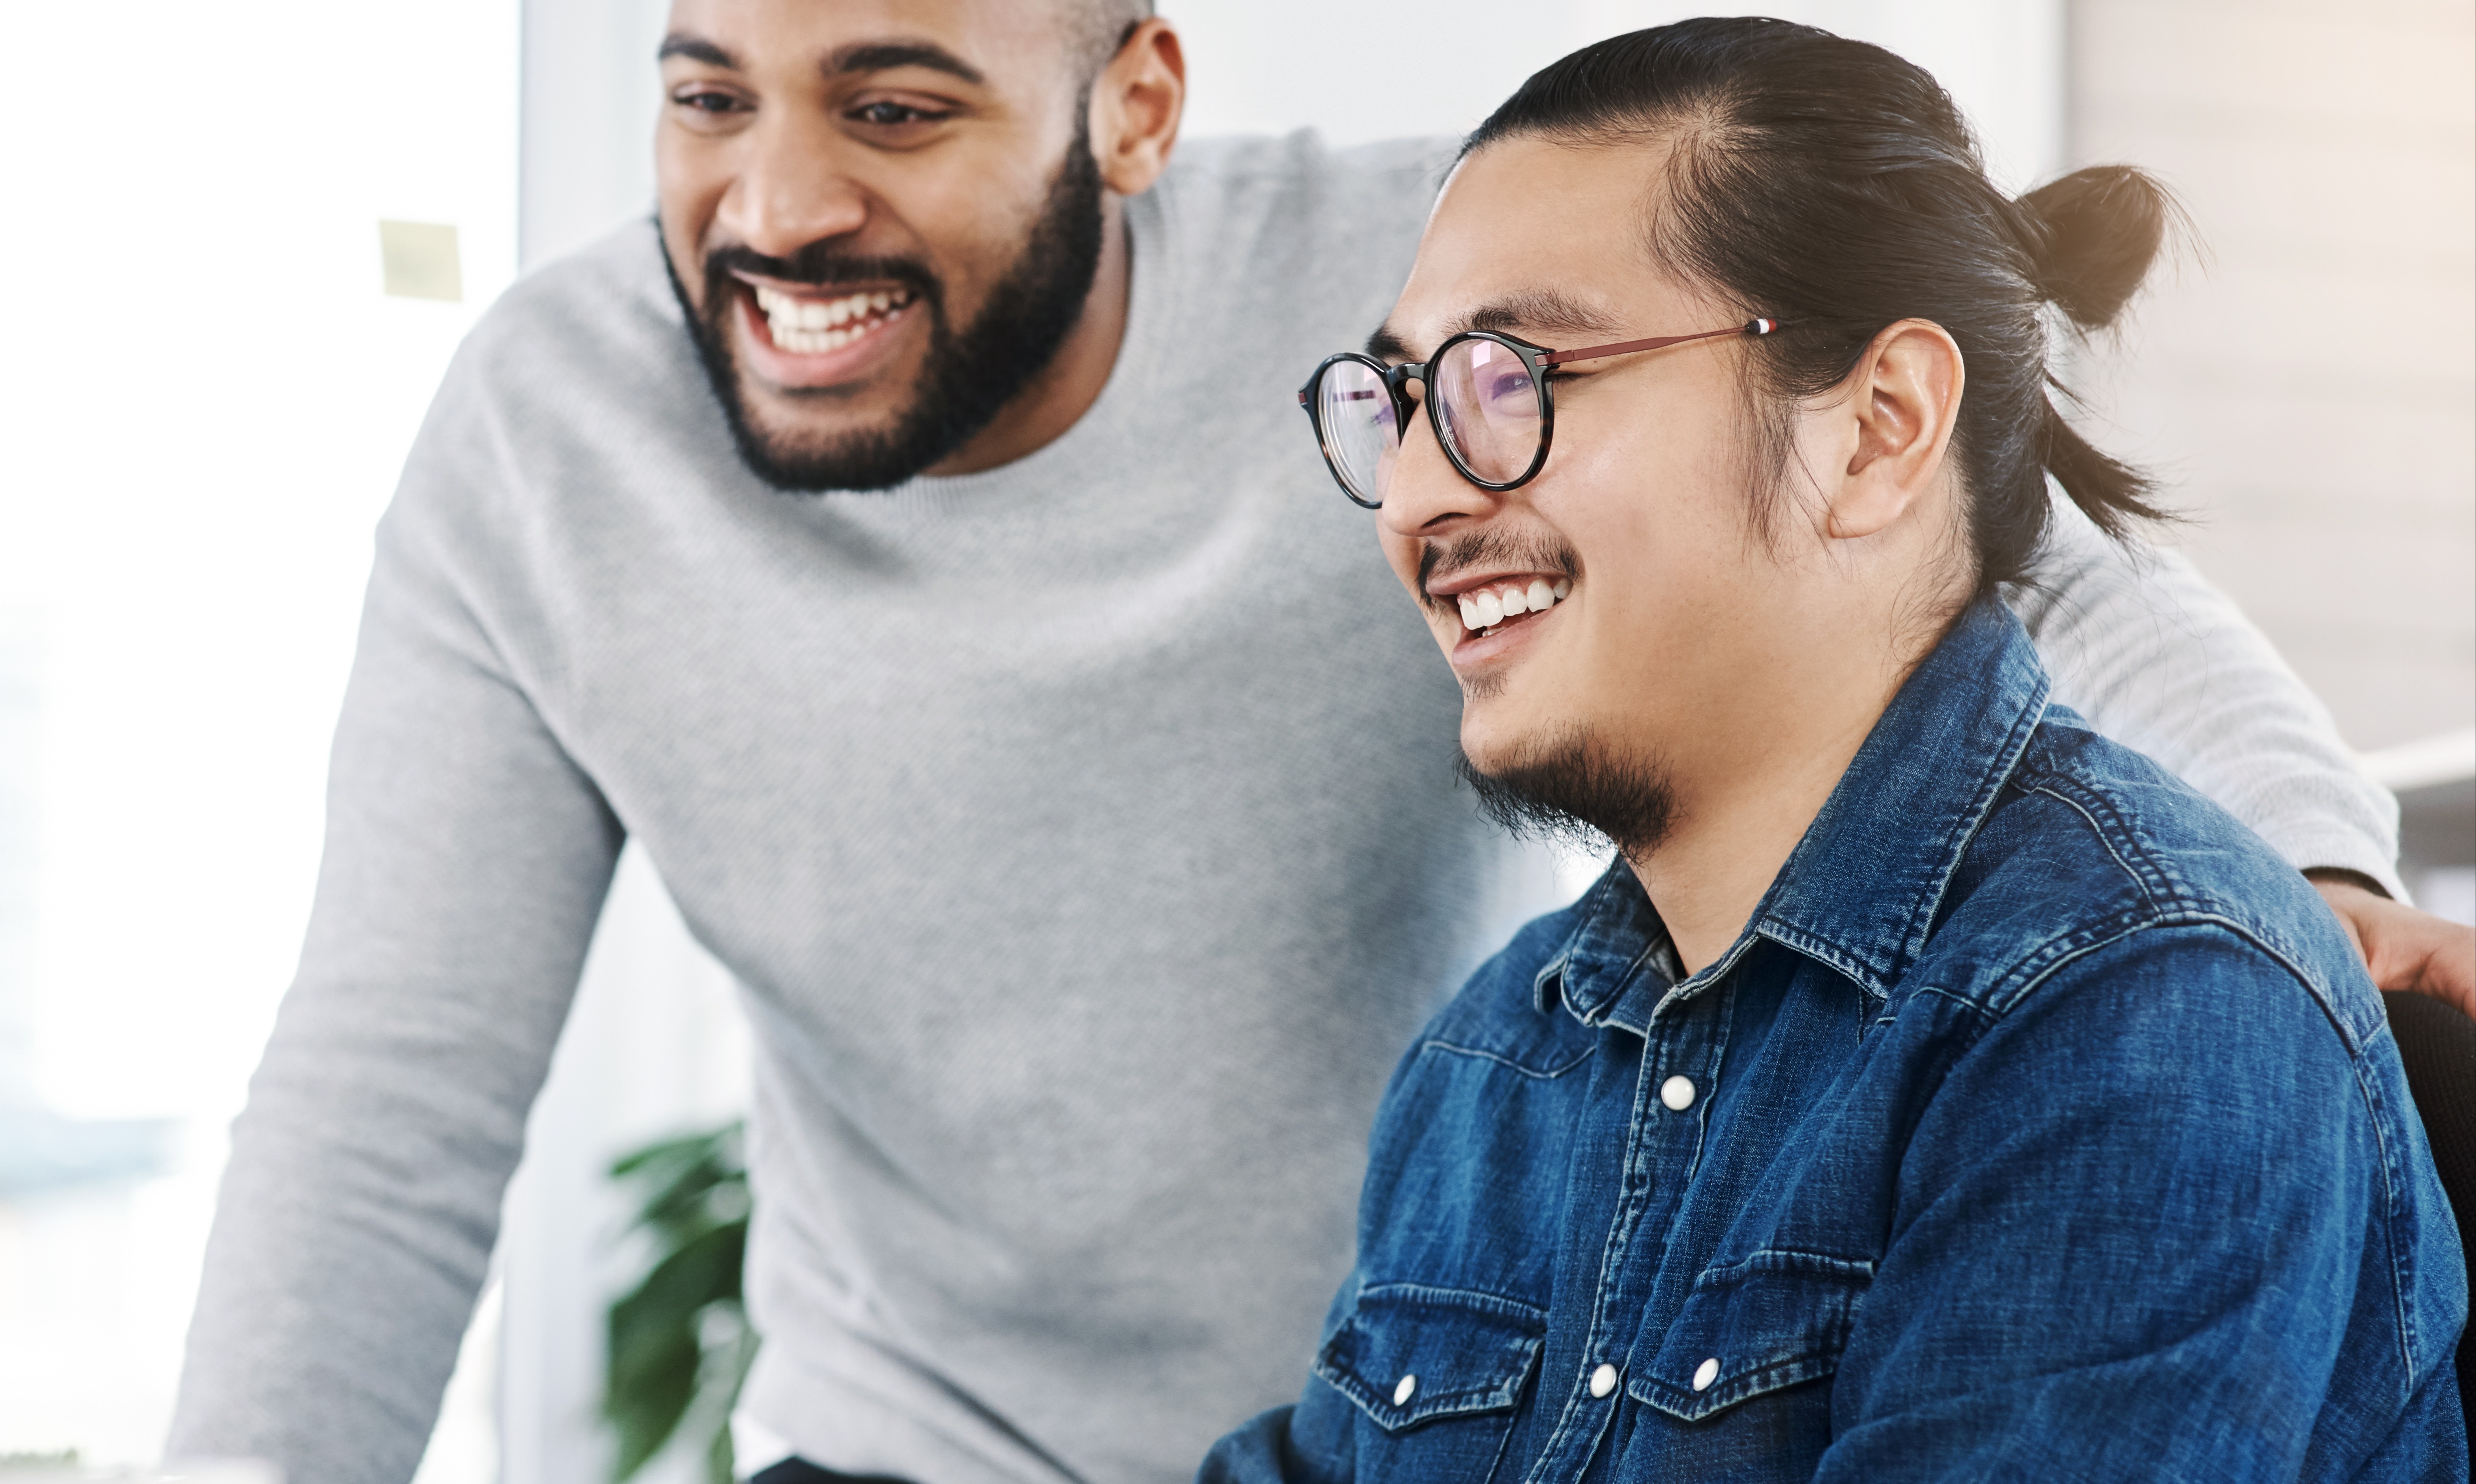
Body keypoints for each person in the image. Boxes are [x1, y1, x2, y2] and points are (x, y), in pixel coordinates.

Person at [166, 4, 2474, 1481]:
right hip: (1001, 1426)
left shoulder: (1455, 278)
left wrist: (2304, 881)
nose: (776, 204)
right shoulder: (1509, 1052)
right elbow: (390, 1089)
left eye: (896, 103)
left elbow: (2001, 530)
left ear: (1135, 102)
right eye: (705, 97)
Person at [1200, 19, 2464, 1482]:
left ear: (1877, 429)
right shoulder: (1496, 1054)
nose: (1417, 498)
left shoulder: (2146, 1007)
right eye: (1406, 402)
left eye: (1515, 376)